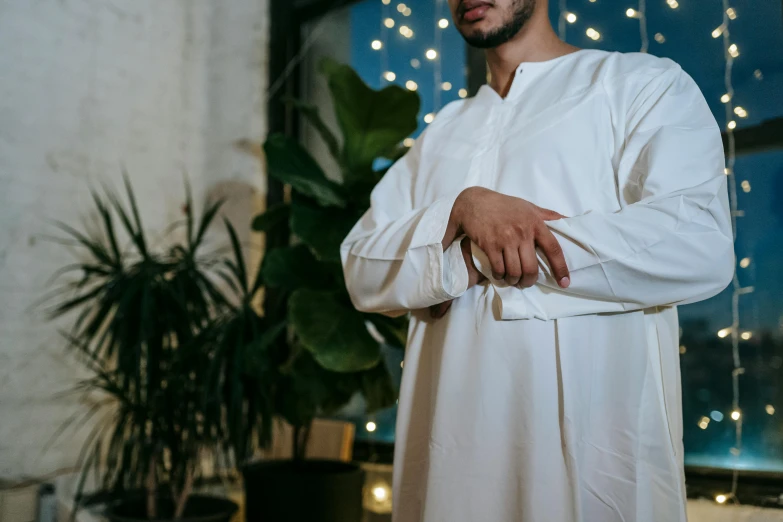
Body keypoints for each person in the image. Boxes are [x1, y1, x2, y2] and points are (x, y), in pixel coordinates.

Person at [340, 0, 734, 519]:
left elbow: (697, 241)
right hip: (448, 467)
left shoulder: (640, 83)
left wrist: (476, 257)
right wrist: (461, 209)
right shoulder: (441, 133)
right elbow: (360, 266)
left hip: (591, 465)